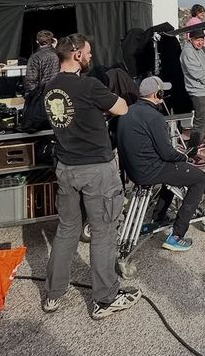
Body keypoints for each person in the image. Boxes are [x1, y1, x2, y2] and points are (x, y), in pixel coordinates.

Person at [42, 33, 141, 320]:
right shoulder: (88, 85)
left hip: (65, 167)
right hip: (95, 168)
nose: (90, 56)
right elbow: (122, 107)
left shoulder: (51, 86)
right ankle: (105, 299)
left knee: (66, 230)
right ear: (76, 54)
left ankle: (53, 294)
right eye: (88, 52)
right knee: (103, 231)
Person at [117, 76, 205, 252]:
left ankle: (159, 216)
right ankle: (177, 235)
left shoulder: (127, 110)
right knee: (199, 178)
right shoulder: (155, 117)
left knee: (173, 174)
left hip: (133, 170)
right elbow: (166, 153)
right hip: (150, 170)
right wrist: (184, 157)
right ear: (156, 94)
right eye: (161, 92)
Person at [24, 30, 60, 96]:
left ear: (37, 41)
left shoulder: (35, 57)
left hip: (42, 94)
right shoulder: (59, 54)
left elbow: (30, 81)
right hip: (59, 92)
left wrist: (31, 97)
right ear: (52, 40)